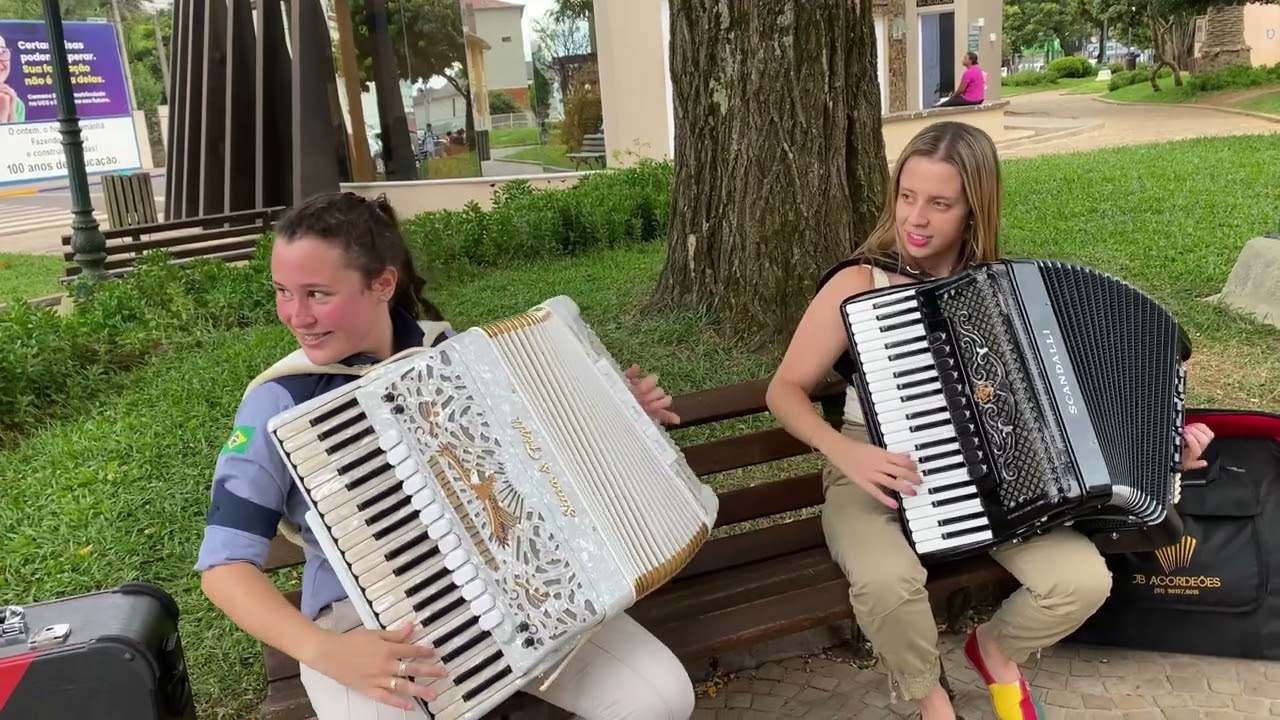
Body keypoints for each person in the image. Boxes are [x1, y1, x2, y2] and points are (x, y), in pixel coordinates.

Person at [764, 121, 1214, 720]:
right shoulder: (859, 282)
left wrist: (1163, 449)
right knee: (884, 582)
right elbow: (784, 390)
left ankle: (994, 652)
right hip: (873, 469)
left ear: (973, 209)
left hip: (993, 476)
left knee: (1080, 581)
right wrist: (845, 453)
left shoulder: (1004, 293)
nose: (915, 219)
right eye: (907, 196)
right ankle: (932, 700)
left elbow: (1071, 409)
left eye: (939, 203)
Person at [195, 191, 695, 720]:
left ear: (382, 284)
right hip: (368, 628)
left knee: (659, 696)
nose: (296, 315)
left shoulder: (448, 352)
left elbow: (536, 459)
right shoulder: (278, 401)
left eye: (317, 293)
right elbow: (224, 566)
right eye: (283, 292)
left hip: (520, 593)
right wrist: (331, 653)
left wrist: (616, 409)